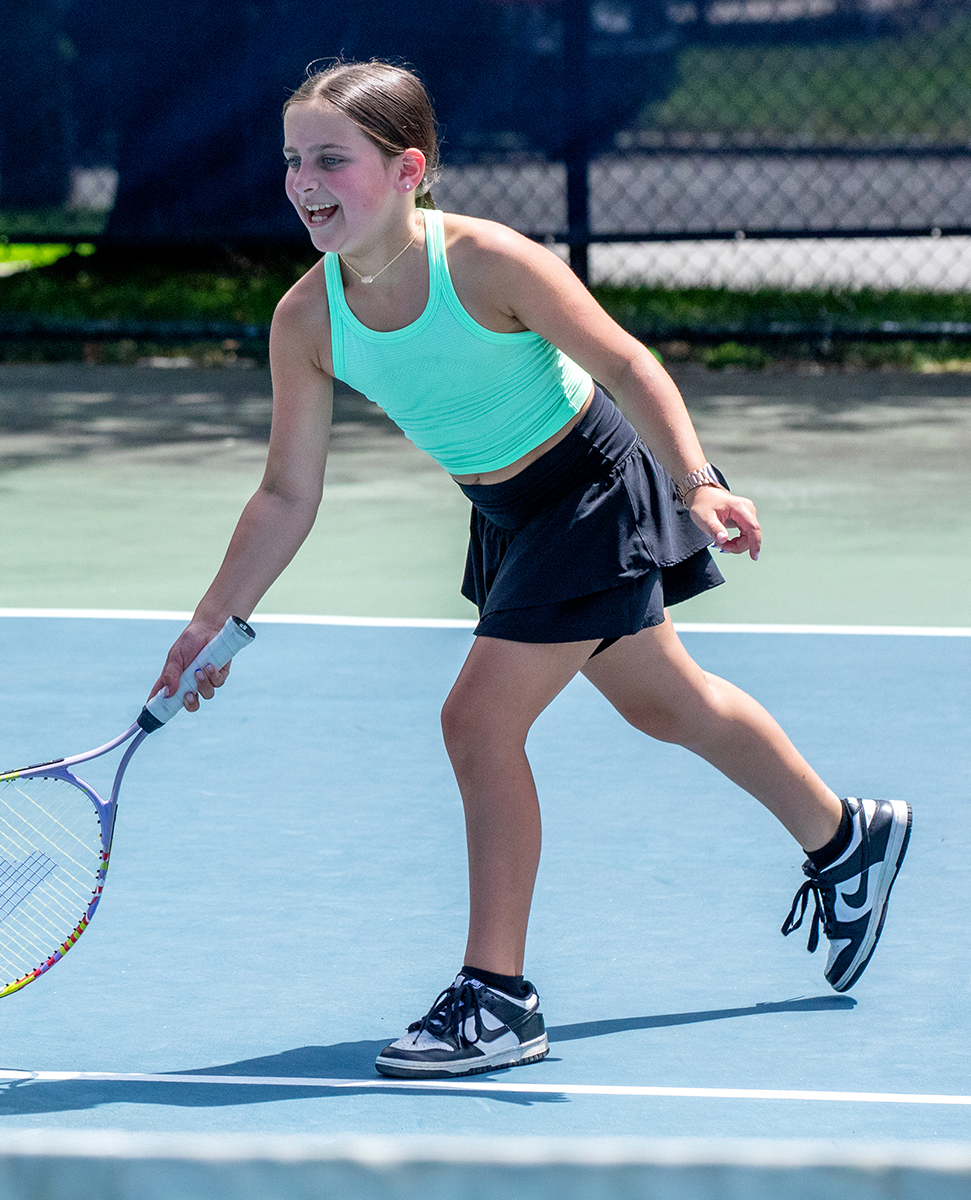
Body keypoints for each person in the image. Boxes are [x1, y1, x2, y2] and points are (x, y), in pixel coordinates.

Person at [147, 60, 912, 1080]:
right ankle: (845, 836)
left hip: (593, 488)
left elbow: (626, 362)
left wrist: (698, 483)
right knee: (669, 704)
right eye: (293, 161)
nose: (304, 183)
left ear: (409, 170)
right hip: (509, 514)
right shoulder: (307, 319)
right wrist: (215, 621)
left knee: (477, 721)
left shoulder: (486, 263)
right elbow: (288, 492)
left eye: (332, 159)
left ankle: (497, 997)